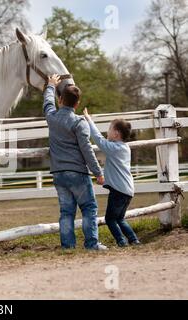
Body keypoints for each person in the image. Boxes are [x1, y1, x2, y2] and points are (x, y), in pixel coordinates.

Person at [44, 75, 107, 251]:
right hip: (78, 172)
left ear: (60, 100)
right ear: (77, 104)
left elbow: (47, 104)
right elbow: (87, 150)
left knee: (66, 211)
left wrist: (50, 86)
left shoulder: (52, 117)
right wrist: (98, 172)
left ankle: (68, 246)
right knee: (88, 207)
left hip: (58, 173)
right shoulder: (79, 122)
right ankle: (92, 244)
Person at [83, 108, 141, 247]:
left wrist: (88, 120)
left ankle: (121, 241)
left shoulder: (115, 148)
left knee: (110, 219)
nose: (107, 131)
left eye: (109, 129)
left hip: (119, 191)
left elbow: (98, 140)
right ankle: (133, 240)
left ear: (116, 134)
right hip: (127, 190)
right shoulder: (124, 147)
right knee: (120, 219)